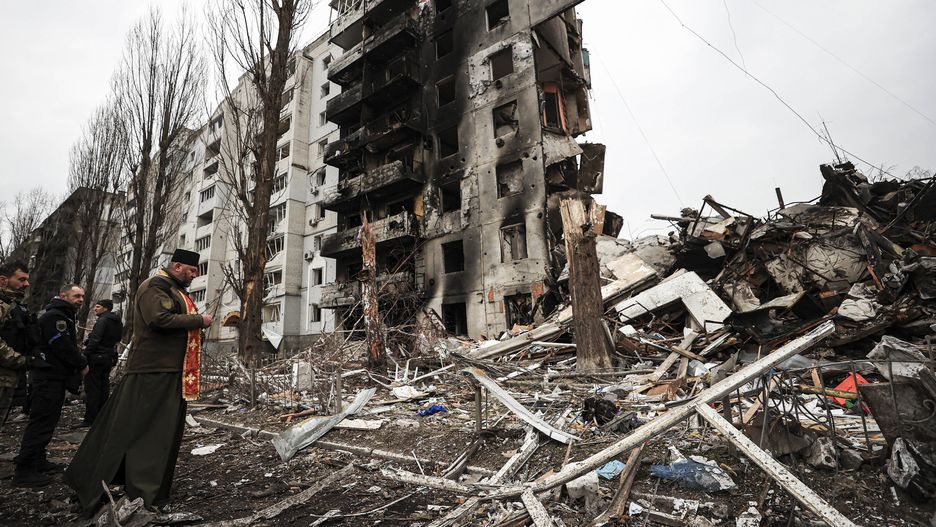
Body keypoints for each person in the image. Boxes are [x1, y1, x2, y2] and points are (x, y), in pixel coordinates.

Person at [65, 250, 212, 515]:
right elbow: (160, 319)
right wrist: (199, 320)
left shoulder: (171, 288)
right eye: (192, 270)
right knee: (151, 433)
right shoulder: (156, 286)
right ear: (177, 266)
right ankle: (142, 491)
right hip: (154, 371)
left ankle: (145, 488)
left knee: (155, 432)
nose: (195, 275)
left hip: (166, 371)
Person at [13, 284, 88, 488]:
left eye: (82, 296)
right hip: (47, 378)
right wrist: (81, 364)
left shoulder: (62, 315)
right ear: (63, 296)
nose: (80, 300)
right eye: (76, 296)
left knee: (47, 422)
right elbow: (61, 345)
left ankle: (38, 460)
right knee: (41, 423)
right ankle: (24, 469)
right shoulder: (55, 317)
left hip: (53, 377)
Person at [0, 261, 40, 425]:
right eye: (21, 280)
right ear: (3, 280)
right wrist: (21, 360)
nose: (27, 284)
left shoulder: (12, 306)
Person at [80, 299, 123, 426]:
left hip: (96, 357)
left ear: (105, 308)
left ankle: (90, 419)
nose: (95, 309)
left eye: (98, 307)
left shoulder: (102, 321)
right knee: (104, 387)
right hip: (108, 357)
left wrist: (85, 353)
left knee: (92, 389)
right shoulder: (117, 321)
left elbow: (95, 339)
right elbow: (118, 338)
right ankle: (102, 417)